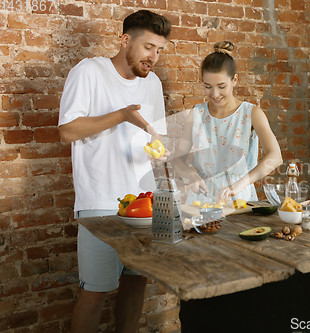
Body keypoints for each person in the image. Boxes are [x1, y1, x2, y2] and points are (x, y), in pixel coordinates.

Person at [58, 10, 171, 333]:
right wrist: (121, 115)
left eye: (160, 49)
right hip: (100, 201)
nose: (154, 57)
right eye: (149, 47)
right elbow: (68, 131)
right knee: (95, 291)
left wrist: (162, 148)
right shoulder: (89, 72)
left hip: (145, 203)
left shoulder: (153, 84)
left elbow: (156, 138)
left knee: (137, 285)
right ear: (125, 40)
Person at [172, 41, 283, 206]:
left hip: (239, 196)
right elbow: (176, 160)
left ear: (235, 80)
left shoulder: (251, 113)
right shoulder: (196, 114)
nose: (214, 94)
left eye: (221, 86)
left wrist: (240, 184)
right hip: (202, 198)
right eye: (208, 86)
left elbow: (275, 157)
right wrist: (190, 174)